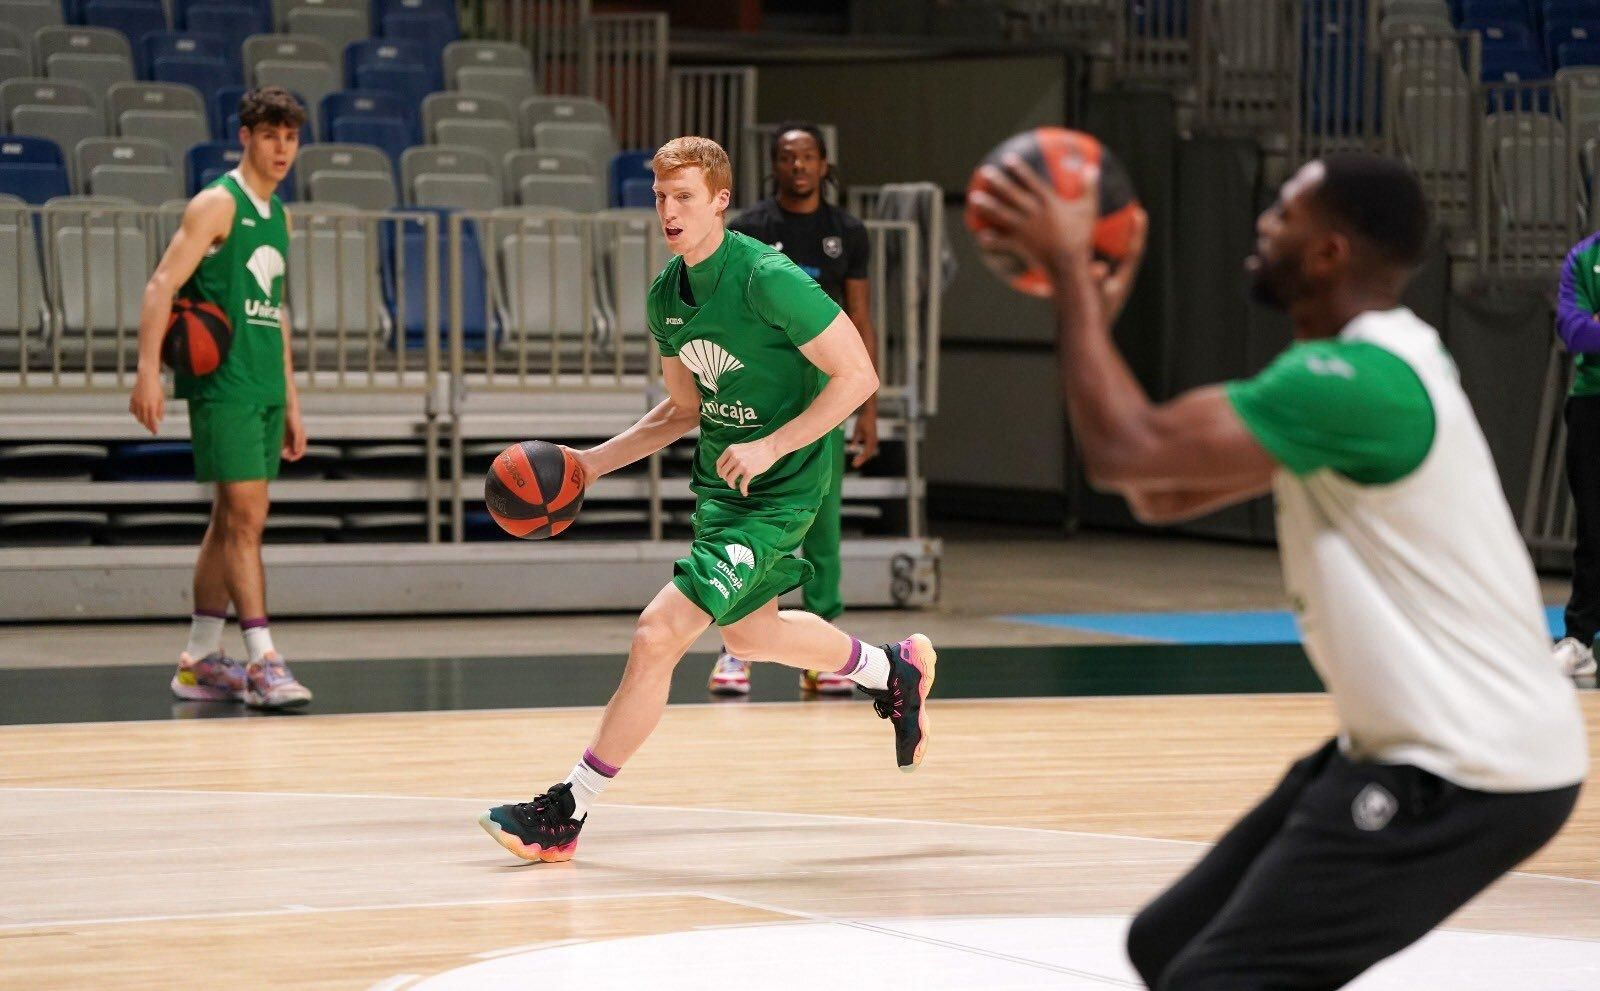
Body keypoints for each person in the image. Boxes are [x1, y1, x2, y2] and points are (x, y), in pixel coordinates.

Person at [970, 152, 1587, 989]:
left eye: (1285, 213)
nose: (1263, 222)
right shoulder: (1358, 364)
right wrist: (1092, 308)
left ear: (1329, 252)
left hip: (1475, 767)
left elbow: (1126, 452)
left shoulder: (1360, 381)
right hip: (1414, 747)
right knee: (1165, 944)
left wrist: (1074, 272)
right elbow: (1159, 492)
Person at [477, 136, 935, 863]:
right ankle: (891, 669)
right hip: (724, 482)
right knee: (752, 636)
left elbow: (858, 376)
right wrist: (589, 465)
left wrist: (772, 445)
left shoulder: (768, 278)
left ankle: (567, 808)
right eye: (659, 196)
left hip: (780, 482)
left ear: (721, 199)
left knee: (658, 633)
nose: (669, 209)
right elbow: (681, 410)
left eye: (684, 195)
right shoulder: (666, 295)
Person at [129, 87, 312, 710]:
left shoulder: (280, 215)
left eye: (290, 136)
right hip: (222, 385)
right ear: (245, 137)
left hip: (262, 384)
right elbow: (161, 284)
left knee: (227, 522)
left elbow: (275, 313)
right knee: (245, 521)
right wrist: (148, 371)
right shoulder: (216, 204)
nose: (282, 147)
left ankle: (201, 658)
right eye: (270, 135)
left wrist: (290, 401)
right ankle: (263, 659)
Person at [709, 121, 880, 696]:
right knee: (749, 521)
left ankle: (824, 650)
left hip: (823, 399)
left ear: (824, 164)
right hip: (762, 399)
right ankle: (740, 649)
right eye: (788, 157)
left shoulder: (847, 231)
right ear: (775, 166)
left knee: (823, 526)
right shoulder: (752, 229)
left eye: (808, 157)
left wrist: (869, 411)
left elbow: (859, 321)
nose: (799, 166)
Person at [1551, 230, 1600, 678]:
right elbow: (1575, 330)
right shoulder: (1584, 258)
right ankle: (1581, 639)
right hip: (1592, 401)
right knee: (1593, 523)